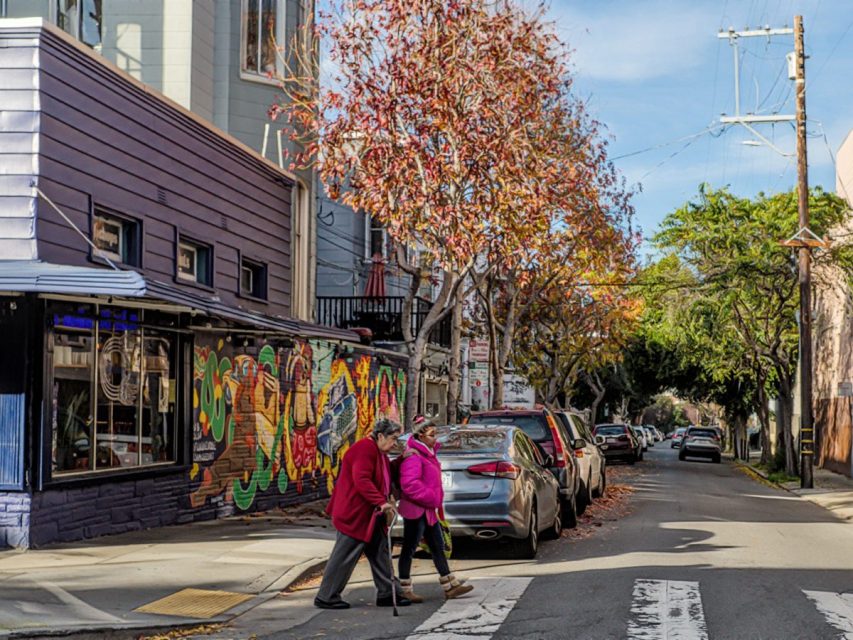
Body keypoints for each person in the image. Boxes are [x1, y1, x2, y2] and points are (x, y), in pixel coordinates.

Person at [314, 419, 410, 610]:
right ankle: (326, 596)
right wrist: (381, 502)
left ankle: (388, 593)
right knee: (344, 556)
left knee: (381, 553)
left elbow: (384, 473)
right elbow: (362, 479)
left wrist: (402, 459)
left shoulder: (378, 452)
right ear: (380, 436)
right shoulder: (364, 449)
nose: (394, 444)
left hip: (370, 515)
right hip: (354, 513)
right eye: (393, 439)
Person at [397, 417, 473, 602]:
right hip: (416, 510)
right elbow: (409, 484)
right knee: (409, 548)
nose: (435, 438)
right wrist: (431, 497)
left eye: (436, 433)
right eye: (432, 434)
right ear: (420, 435)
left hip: (428, 510)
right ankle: (404, 588)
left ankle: (449, 585)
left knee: (438, 547)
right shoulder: (414, 456)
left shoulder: (428, 453)